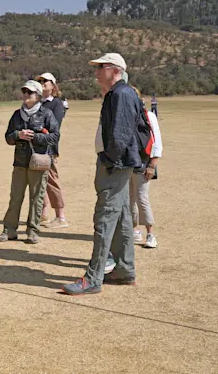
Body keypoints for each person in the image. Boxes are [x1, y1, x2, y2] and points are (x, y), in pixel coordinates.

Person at [62, 53, 142, 295]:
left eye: (100, 68)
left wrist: (108, 160)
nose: (96, 73)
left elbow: (120, 134)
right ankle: (124, 270)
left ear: (114, 69)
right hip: (117, 164)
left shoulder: (121, 94)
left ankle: (93, 278)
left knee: (105, 218)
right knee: (121, 218)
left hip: (114, 165)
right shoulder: (118, 94)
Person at [0, 80, 60, 244]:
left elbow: (54, 136)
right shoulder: (17, 114)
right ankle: (9, 230)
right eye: (24, 91)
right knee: (15, 197)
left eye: (29, 92)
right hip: (19, 162)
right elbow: (8, 138)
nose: (25, 95)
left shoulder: (46, 114)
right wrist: (18, 135)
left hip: (38, 162)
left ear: (38, 96)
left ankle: (33, 231)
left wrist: (35, 136)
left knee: (37, 197)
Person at [35, 73, 68, 229]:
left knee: (52, 181)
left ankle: (61, 217)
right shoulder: (37, 103)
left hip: (49, 148)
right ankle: (43, 214)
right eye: (39, 81)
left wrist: (38, 129)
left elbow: (54, 127)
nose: (41, 83)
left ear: (53, 85)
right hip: (37, 148)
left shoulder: (56, 104)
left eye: (44, 81)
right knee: (40, 181)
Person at [132, 97, 162, 248]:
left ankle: (150, 234)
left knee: (142, 198)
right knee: (129, 200)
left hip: (143, 164)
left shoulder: (149, 116)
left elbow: (157, 141)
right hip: (126, 164)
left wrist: (152, 165)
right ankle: (134, 231)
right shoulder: (124, 114)